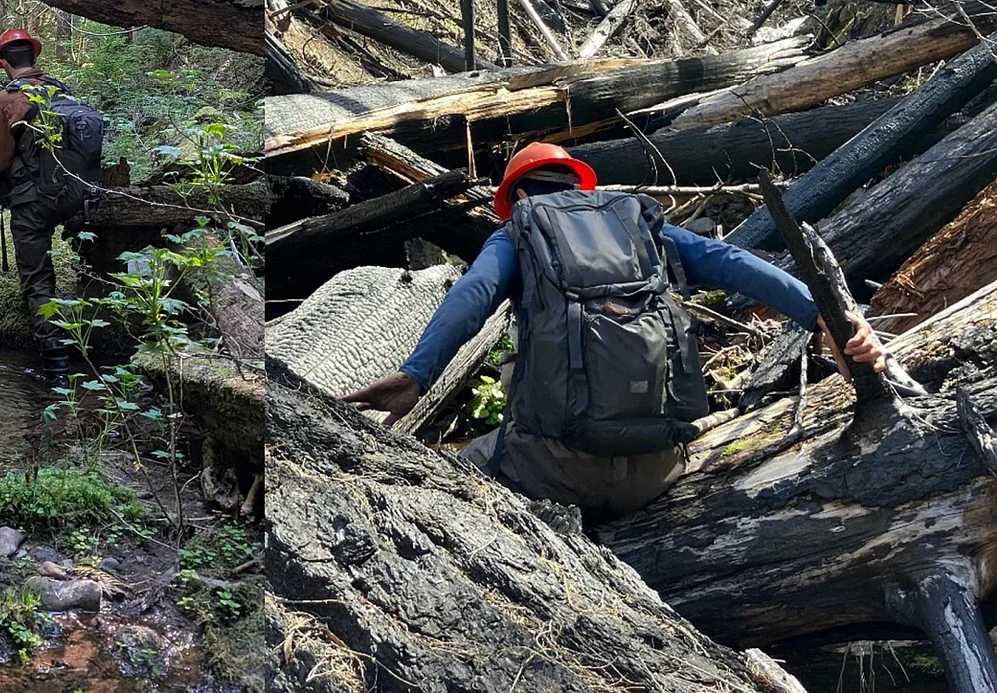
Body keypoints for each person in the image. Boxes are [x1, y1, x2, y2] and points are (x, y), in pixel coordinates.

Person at [342, 142, 886, 520]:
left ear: (518, 198)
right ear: (581, 186)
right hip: (657, 471)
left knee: (451, 476)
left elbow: (472, 295)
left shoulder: (518, 232)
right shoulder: (634, 224)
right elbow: (731, 261)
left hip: (550, 471)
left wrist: (416, 376)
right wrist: (824, 317)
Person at [0, 28, 103, 376]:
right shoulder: (61, 90)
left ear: (3, 62)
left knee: (37, 279)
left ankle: (55, 368)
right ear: (35, 57)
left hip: (33, 203)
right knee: (93, 264)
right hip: (79, 195)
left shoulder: (5, 100)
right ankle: (101, 345)